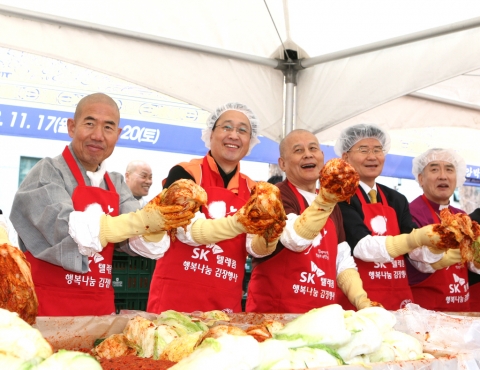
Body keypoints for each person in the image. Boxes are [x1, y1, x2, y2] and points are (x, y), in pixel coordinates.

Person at [9, 93, 185, 316]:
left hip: (99, 312)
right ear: (72, 127)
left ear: (118, 135)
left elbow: (139, 240)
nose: (98, 135)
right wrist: (141, 221)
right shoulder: (47, 173)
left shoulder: (117, 184)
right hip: (46, 311)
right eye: (90, 123)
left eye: (108, 128)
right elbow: (61, 227)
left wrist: (155, 226)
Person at [147, 102, 283, 314]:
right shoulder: (185, 173)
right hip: (175, 299)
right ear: (210, 134)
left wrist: (271, 234)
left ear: (250, 142)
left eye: (242, 130)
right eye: (227, 127)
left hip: (225, 303)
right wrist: (242, 221)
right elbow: (186, 230)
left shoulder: (254, 189)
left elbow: (254, 248)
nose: (234, 135)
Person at [246, 129, 375, 313]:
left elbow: (343, 261)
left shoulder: (334, 205)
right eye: (298, 150)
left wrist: (363, 302)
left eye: (313, 148)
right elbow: (294, 239)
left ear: (322, 156)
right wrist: (327, 200)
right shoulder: (276, 195)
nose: (308, 154)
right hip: (276, 313)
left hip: (320, 316)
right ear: (282, 163)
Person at [335, 124, 457, 310]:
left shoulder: (396, 199)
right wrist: (415, 238)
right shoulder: (340, 197)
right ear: (345, 157)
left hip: (399, 300)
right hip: (360, 303)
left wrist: (437, 246)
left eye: (377, 150)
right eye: (363, 150)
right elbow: (362, 247)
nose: (372, 156)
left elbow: (415, 254)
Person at [407, 148, 479, 311]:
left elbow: (473, 264)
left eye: (449, 169)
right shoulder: (411, 213)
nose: (443, 176)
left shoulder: (461, 216)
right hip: (425, 313)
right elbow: (420, 261)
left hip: (461, 308)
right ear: (421, 179)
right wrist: (456, 249)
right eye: (434, 169)